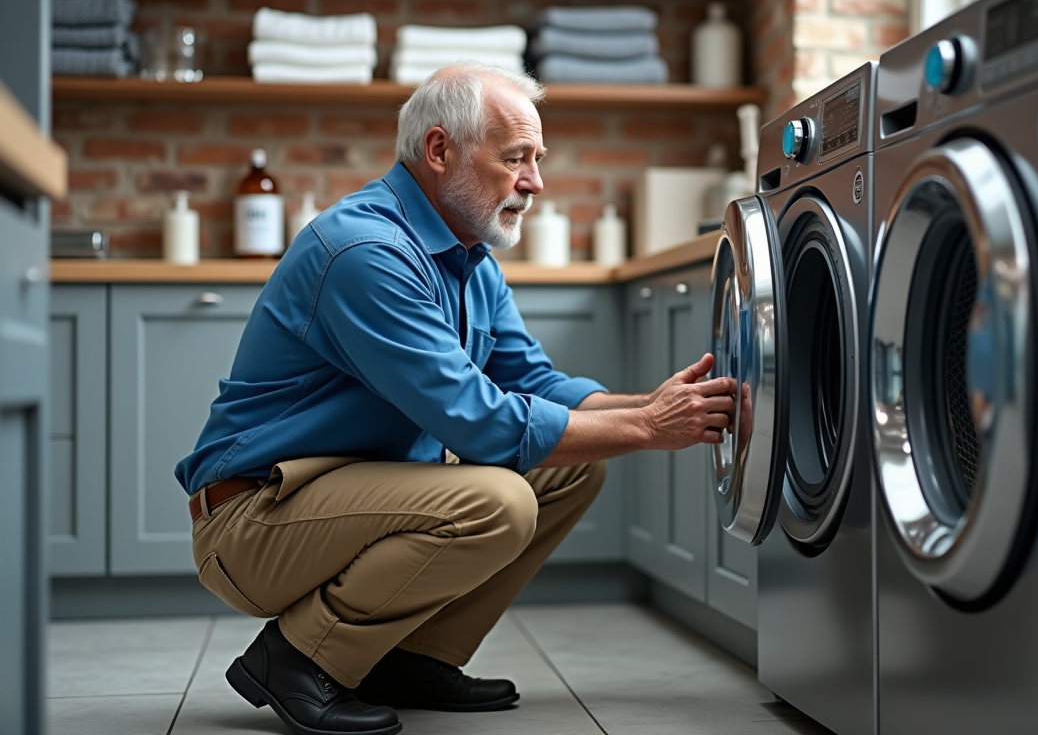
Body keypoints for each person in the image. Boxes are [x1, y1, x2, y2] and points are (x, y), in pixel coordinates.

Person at [175, 61, 736, 735]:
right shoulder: (367, 253)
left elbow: (535, 384)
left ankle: (408, 658)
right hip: (255, 520)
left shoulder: (469, 258)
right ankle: (293, 659)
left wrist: (658, 404)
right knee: (496, 502)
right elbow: (483, 425)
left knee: (572, 465)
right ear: (440, 151)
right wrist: (648, 427)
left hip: (344, 494)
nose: (535, 182)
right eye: (515, 159)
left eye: (537, 159)